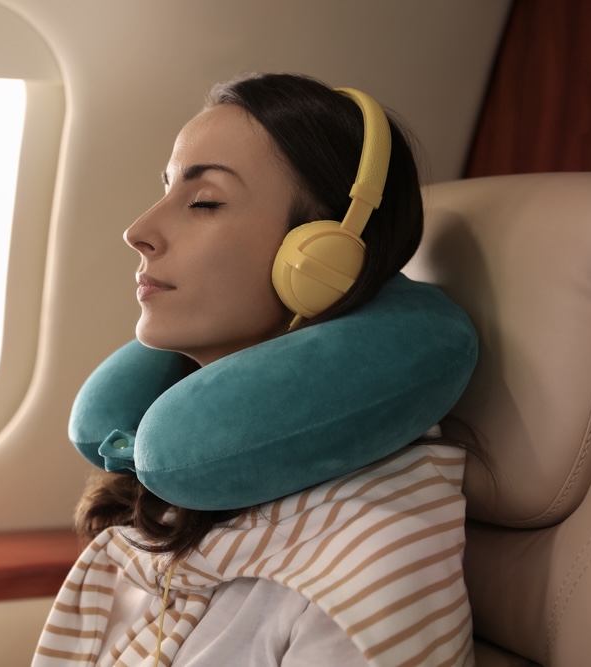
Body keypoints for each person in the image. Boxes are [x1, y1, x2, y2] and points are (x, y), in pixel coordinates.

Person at [33, 73, 476, 666]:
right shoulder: (175, 486)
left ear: (321, 258)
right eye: (165, 189)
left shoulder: (368, 555)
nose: (137, 232)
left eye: (205, 201)